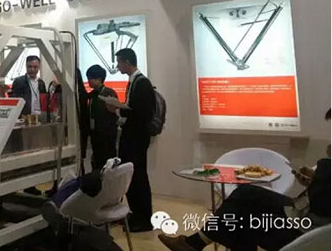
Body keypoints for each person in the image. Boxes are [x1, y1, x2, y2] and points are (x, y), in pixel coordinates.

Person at [159, 109, 331, 251]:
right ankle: (195, 243)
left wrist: (326, 166)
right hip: (301, 212)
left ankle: (194, 243)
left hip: (310, 231)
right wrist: (313, 180)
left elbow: (321, 203)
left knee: (240, 218)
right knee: (245, 193)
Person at [104, 48, 155, 232]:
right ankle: (135, 213)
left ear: (127, 62)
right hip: (131, 137)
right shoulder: (134, 82)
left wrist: (118, 110)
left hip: (137, 138)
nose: (117, 66)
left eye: (119, 62)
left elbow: (141, 113)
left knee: (138, 176)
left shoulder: (142, 83)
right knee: (131, 176)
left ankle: (144, 218)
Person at [9, 55, 47, 195]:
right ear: (26, 66)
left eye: (35, 67)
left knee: (36, 152)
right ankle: (24, 183)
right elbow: (15, 100)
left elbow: (43, 100)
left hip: (38, 120)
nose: (32, 69)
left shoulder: (41, 83)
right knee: (23, 152)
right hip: (24, 120)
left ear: (39, 67)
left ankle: (33, 184)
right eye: (30, 67)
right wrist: (21, 115)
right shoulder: (19, 81)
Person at [86, 64, 118, 169]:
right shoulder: (91, 95)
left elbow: (114, 113)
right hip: (95, 135)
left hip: (106, 136)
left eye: (90, 78)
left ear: (99, 79)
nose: (88, 81)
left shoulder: (109, 93)